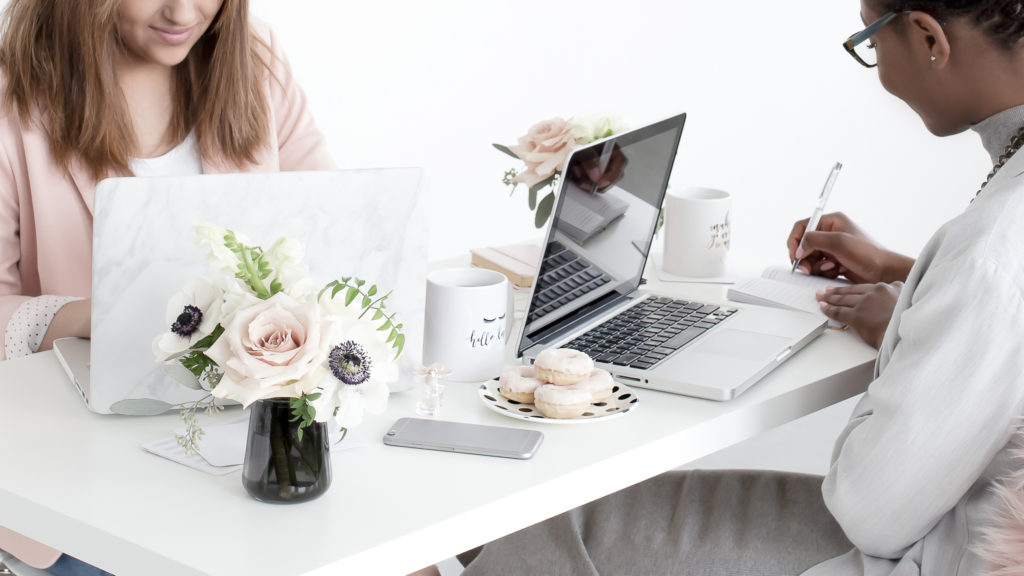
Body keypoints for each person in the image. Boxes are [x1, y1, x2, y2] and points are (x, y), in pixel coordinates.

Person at [455, 1, 1024, 574]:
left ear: (928, 36)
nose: (877, 67)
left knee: (550, 526)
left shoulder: (994, 248)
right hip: (949, 521)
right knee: (496, 524)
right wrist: (901, 275)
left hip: (935, 551)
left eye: (871, 42)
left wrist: (907, 324)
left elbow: (872, 511)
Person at [0, 0, 333, 573]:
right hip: (83, 482)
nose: (183, 10)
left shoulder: (252, 57)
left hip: (249, 440)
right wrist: (96, 318)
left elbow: (330, 224)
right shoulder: (14, 96)